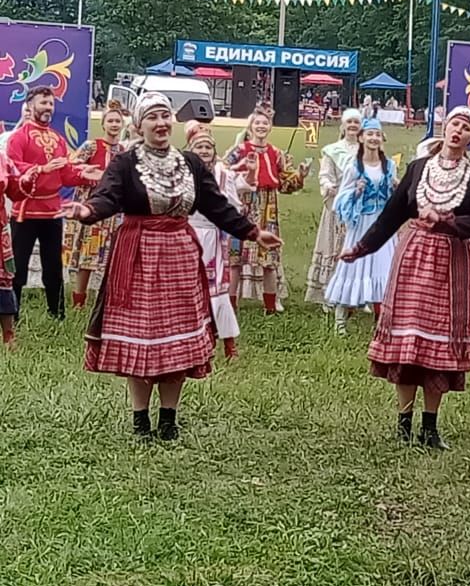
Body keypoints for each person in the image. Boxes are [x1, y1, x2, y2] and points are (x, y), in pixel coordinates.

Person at [62, 93, 281, 440]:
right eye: (152, 117)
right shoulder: (124, 163)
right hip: (137, 257)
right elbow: (108, 196)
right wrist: (87, 212)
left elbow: (216, 205)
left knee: (176, 340)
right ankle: (139, 421)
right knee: (141, 337)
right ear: (139, 125)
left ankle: (168, 419)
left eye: (165, 116)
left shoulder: (190, 163)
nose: (161, 123)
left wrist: (253, 232)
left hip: (180, 255)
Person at [338, 107, 470, 450]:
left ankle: (430, 426)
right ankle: (403, 422)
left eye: (466, 128)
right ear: (444, 126)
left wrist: (447, 222)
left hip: (451, 263)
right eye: (455, 123)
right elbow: (392, 214)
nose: (458, 131)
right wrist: (361, 248)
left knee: (437, 345)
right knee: (408, 345)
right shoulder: (418, 169)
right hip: (412, 260)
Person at [7, 86, 101, 319]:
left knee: (53, 268)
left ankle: (57, 315)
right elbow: (13, 167)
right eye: (43, 103)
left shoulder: (58, 139)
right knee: (18, 269)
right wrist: (40, 169)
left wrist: (82, 174)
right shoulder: (19, 137)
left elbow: (65, 173)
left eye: (50, 104)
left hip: (52, 212)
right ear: (30, 105)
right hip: (25, 212)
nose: (48, 108)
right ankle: (11, 315)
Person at [185, 120, 256, 360]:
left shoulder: (223, 174)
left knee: (217, 291)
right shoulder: (182, 172)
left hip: (213, 236)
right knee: (187, 290)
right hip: (187, 235)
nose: (204, 151)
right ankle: (192, 341)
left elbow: (234, 204)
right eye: (199, 147)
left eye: (208, 147)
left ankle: (228, 343)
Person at [225, 107, 307, 314]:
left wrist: (300, 175)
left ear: (270, 127)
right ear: (251, 126)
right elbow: (224, 173)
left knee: (269, 259)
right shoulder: (239, 150)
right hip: (242, 205)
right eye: (257, 123)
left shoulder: (276, 153)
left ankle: (269, 307)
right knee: (235, 257)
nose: (261, 127)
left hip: (268, 206)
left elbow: (286, 184)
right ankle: (230, 306)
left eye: (265, 123)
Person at [324, 118, 397, 333]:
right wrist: (355, 191)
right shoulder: (354, 166)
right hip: (361, 223)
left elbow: (396, 197)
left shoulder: (389, 165)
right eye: (370, 134)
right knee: (353, 267)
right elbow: (340, 200)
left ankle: (382, 321)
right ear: (362, 137)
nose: (373, 138)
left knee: (384, 267)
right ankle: (340, 321)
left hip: (383, 223)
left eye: (377, 134)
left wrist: (395, 188)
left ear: (382, 138)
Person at [65, 100, 126, 309]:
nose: (114, 124)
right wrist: (94, 176)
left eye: (118, 121)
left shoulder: (125, 151)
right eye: (110, 120)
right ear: (104, 124)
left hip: (115, 210)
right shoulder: (91, 146)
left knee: (113, 256)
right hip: (92, 205)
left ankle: (108, 301)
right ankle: (78, 301)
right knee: (87, 254)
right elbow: (71, 168)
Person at [305, 109, 362, 305]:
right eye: (350, 122)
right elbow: (325, 175)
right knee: (334, 246)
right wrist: (329, 187)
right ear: (343, 125)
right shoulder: (332, 150)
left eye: (356, 122)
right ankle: (329, 293)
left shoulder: (368, 150)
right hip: (337, 206)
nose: (353, 125)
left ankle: (355, 295)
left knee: (356, 248)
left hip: (359, 207)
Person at [0, 149, 27, 346]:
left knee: (3, 279)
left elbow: (16, 191)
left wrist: (28, 179)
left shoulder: (3, 160)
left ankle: (9, 335)